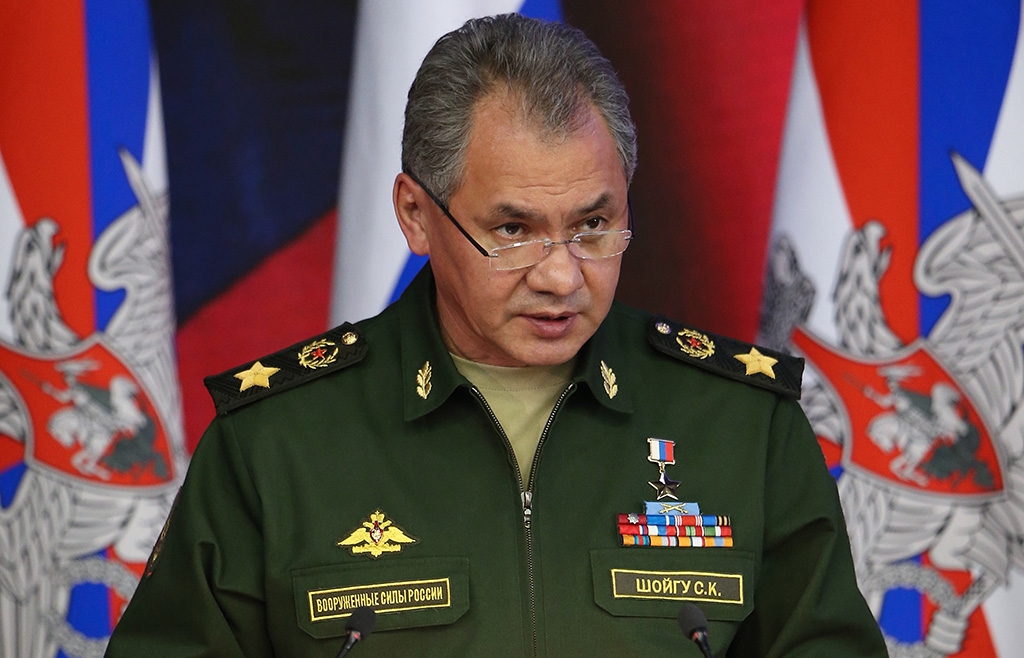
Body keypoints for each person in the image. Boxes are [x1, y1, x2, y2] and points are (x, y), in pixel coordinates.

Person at [106, 14, 888, 657]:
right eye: (513, 230)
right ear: (416, 215)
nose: (561, 274)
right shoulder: (275, 445)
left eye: (594, 225)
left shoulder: (744, 428)